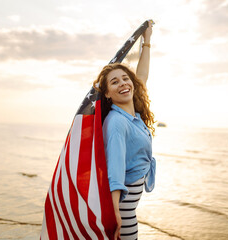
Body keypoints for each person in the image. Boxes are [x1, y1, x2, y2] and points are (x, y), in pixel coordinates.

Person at [93, 21, 155, 240]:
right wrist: (115, 213)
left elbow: (143, 76)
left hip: (129, 212)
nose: (123, 84)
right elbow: (115, 168)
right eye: (115, 82)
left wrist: (146, 40)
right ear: (107, 93)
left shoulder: (132, 115)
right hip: (124, 213)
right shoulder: (117, 122)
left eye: (126, 78)